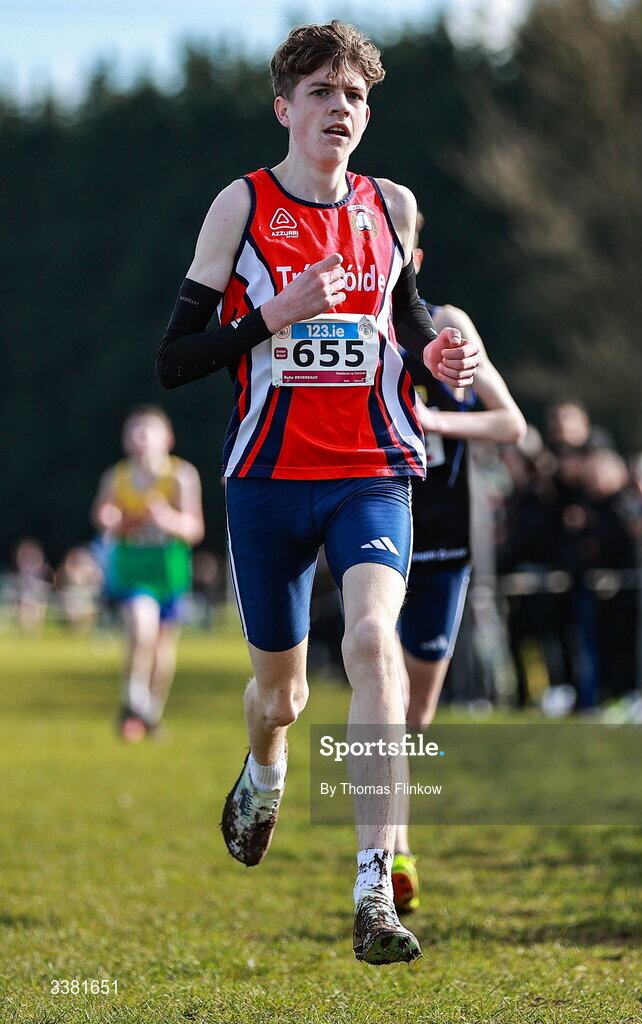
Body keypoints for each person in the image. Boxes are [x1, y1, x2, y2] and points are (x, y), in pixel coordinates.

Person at [156, 21, 480, 965]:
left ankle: (373, 886)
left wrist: (438, 355)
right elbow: (174, 360)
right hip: (266, 479)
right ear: (285, 108)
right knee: (282, 696)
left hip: (373, 472)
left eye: (357, 98)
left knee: (374, 641)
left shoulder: (392, 207)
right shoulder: (242, 206)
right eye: (324, 95)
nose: (342, 111)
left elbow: (410, 326)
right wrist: (273, 316)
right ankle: (264, 766)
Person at [393, 221, 526, 912]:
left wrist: (436, 422)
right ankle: (388, 851)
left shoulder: (447, 323)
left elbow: (511, 424)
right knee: (379, 699)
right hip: (372, 532)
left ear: (415, 257)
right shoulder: (344, 329)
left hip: (442, 547)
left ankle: (391, 843)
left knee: (415, 716)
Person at [92, 406, 204, 741]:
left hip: (169, 569)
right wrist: (110, 518)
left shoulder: (181, 476)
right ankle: (133, 702)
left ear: (167, 439)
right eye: (133, 431)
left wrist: (165, 519)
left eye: (147, 430)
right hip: (133, 568)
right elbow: (102, 514)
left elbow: (194, 529)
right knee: (141, 631)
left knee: (162, 646)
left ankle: (150, 712)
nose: (140, 438)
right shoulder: (117, 476)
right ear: (126, 440)